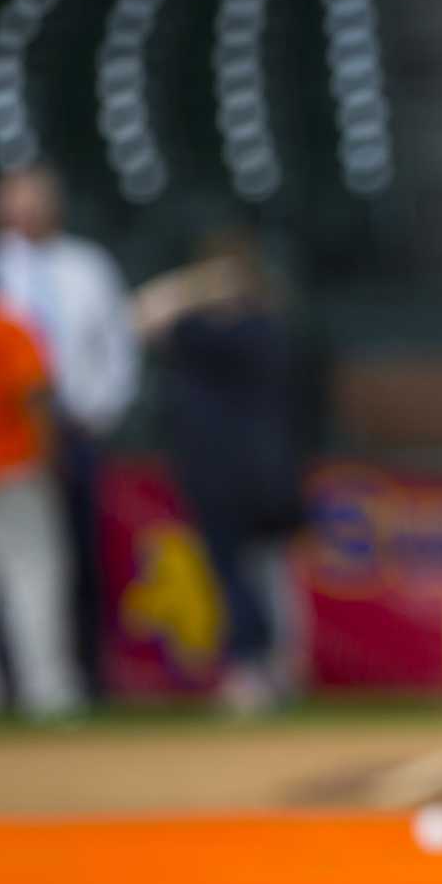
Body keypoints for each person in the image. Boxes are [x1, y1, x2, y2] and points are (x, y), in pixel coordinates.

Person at [133, 229, 305, 715]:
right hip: (222, 474)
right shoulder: (197, 332)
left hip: (258, 474)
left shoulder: (259, 330)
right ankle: (259, 668)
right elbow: (141, 316)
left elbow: (147, 311)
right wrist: (202, 284)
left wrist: (206, 288)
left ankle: (266, 668)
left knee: (261, 572)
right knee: (240, 571)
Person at [0, 166, 139, 695]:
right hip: (3, 439)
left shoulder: (87, 266)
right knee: (5, 564)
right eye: (16, 203)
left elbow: (117, 351)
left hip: (74, 429)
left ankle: (82, 677)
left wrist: (96, 413)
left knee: (78, 559)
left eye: (36, 202)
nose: (26, 214)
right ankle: (8, 682)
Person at [0, 250, 83, 719]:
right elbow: (35, 393)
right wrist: (47, 456)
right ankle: (46, 693)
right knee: (35, 579)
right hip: (16, 467)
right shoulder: (8, 325)